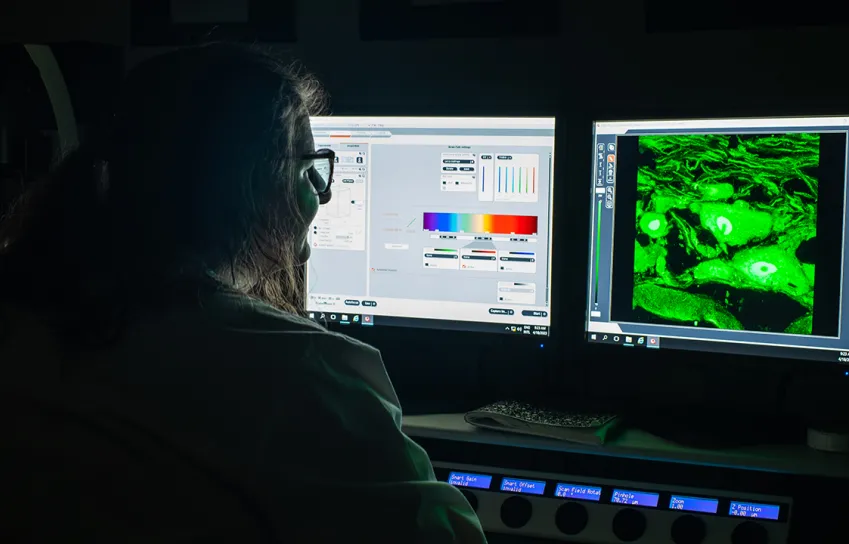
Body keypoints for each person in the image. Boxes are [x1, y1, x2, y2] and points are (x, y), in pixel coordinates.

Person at [0, 43, 485, 543]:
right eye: (309, 168)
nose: (325, 192)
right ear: (256, 182)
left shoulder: (21, 318)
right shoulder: (300, 369)